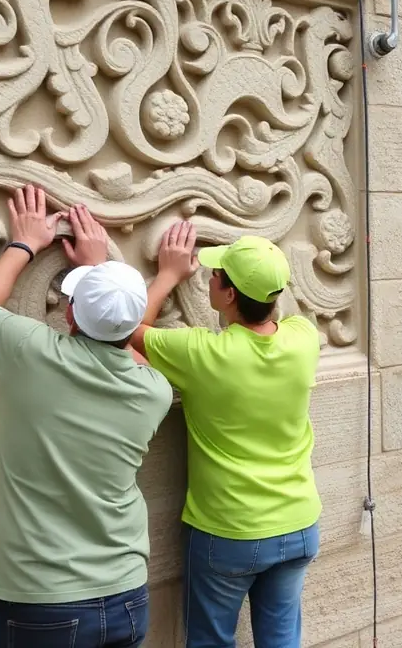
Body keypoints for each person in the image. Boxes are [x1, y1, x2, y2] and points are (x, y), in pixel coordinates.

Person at [0, 185, 174, 648]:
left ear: (71, 315)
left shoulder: (31, 355)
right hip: (126, 592)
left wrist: (24, 243)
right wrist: (103, 276)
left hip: (41, 602)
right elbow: (130, 344)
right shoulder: (153, 390)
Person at [128, 221, 322, 648]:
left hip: (230, 531)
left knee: (211, 641)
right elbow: (277, 318)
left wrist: (167, 275)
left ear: (229, 294)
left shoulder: (204, 353)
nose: (208, 278)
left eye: (215, 275)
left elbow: (128, 331)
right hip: (298, 524)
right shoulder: (304, 338)